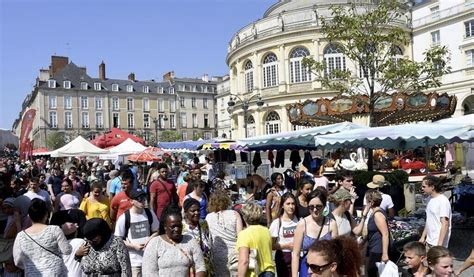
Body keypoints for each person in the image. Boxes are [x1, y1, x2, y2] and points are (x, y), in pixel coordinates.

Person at [13, 199, 72, 276]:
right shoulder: (55, 229)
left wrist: (30, 266)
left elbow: (17, 261)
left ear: (29, 216)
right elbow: (66, 250)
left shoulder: (20, 236)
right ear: (46, 215)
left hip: (32, 274)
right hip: (55, 273)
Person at [142, 206, 206, 277]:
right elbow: (149, 272)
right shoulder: (155, 243)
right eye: (173, 226)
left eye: (179, 226)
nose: (177, 229)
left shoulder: (190, 241)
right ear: (165, 226)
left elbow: (200, 267)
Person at [292, 189, 338, 277]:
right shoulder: (302, 224)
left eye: (318, 206)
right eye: (311, 207)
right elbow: (296, 254)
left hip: (324, 269)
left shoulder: (331, 224)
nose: (315, 210)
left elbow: (335, 253)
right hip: (307, 268)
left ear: (324, 206)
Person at [115, 190, 159, 277]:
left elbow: (156, 231)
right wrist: (133, 246)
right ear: (131, 201)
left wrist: (149, 239)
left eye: (144, 198)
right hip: (134, 261)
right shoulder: (124, 218)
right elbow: (117, 239)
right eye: (139, 199)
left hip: (150, 259)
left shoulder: (149, 213)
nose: (143, 201)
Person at [205, 190, 243, 276]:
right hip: (234, 253)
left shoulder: (209, 217)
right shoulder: (234, 214)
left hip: (217, 255)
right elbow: (240, 236)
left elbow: (209, 238)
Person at [236, 202, 275, 277]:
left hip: (254, 273)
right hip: (269, 271)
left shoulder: (244, 234)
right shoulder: (266, 231)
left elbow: (244, 261)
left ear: (244, 217)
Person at [270, 192, 298, 277]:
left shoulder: (299, 220)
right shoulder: (277, 223)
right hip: (284, 257)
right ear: (282, 205)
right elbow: (271, 245)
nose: (291, 206)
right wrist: (286, 246)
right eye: (288, 204)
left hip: (298, 257)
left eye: (293, 204)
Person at [419, 175, 451, 248]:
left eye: (424, 186)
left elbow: (445, 224)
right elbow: (429, 220)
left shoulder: (443, 201)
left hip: (437, 243)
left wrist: (439, 245)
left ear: (432, 187)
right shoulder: (429, 199)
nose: (422, 188)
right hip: (429, 240)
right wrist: (423, 237)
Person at [182, 198, 212, 275]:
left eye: (198, 210)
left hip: (205, 266)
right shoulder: (181, 227)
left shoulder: (203, 223)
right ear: (185, 212)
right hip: (189, 269)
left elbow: (209, 241)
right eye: (193, 211)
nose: (197, 213)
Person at [365, 189, 391, 277]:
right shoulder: (376, 212)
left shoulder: (377, 215)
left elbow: (385, 234)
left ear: (371, 202)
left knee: (372, 272)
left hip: (378, 249)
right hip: (374, 247)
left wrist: (385, 254)